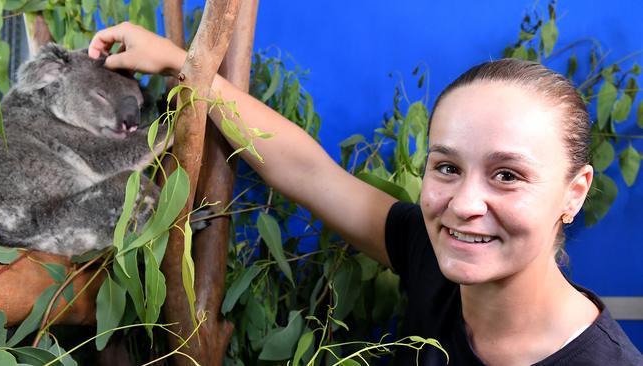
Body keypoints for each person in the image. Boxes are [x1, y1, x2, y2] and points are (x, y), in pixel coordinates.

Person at [89, 22, 643, 366]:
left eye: (507, 175)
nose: (465, 204)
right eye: (446, 167)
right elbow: (311, 174)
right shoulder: (433, 255)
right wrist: (183, 64)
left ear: (574, 193)